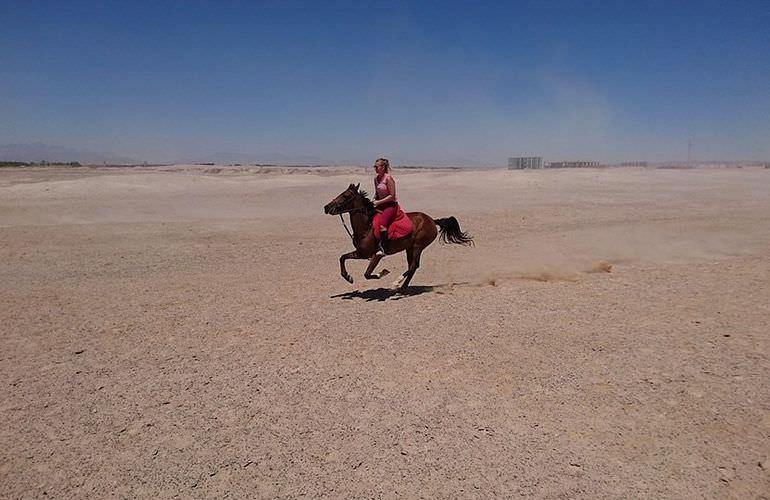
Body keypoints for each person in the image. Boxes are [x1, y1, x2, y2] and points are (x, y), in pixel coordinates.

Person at [372, 157, 398, 256]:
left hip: (391, 205)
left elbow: (392, 196)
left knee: (382, 226)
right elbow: (377, 193)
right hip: (380, 204)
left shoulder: (388, 178)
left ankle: (383, 248)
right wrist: (374, 200)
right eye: (374, 166)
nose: (375, 168)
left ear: (383, 167)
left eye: (376, 166)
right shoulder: (376, 179)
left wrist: (378, 202)